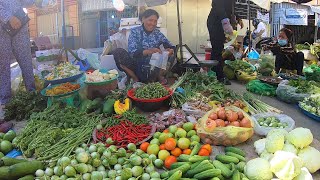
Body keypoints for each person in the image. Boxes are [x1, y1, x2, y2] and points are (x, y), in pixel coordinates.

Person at [0, 1, 36, 109]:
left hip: (20, 26)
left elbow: (26, 2)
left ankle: (32, 95)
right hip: (2, 29)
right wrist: (8, 17)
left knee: (26, 61)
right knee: (3, 65)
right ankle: (5, 100)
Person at [128, 9, 175, 84]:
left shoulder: (157, 33)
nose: (153, 23)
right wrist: (148, 51)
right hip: (137, 63)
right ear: (143, 19)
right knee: (118, 52)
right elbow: (132, 52)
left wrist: (171, 50)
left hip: (153, 64)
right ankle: (135, 78)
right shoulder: (135, 32)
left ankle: (158, 76)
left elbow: (170, 45)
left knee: (168, 55)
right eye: (150, 20)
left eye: (155, 21)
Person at [207, 0, 234, 85]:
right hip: (215, 22)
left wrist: (237, 17)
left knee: (218, 48)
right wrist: (225, 21)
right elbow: (218, 5)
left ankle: (212, 73)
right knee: (217, 48)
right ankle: (219, 76)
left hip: (220, 21)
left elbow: (230, 7)